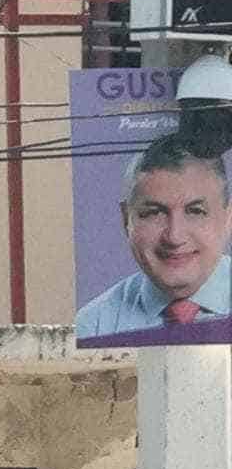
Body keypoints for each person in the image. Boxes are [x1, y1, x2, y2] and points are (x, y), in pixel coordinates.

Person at [76, 130, 232, 341]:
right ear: (126, 219)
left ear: (228, 218)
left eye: (195, 211)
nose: (174, 237)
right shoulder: (93, 327)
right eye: (154, 213)